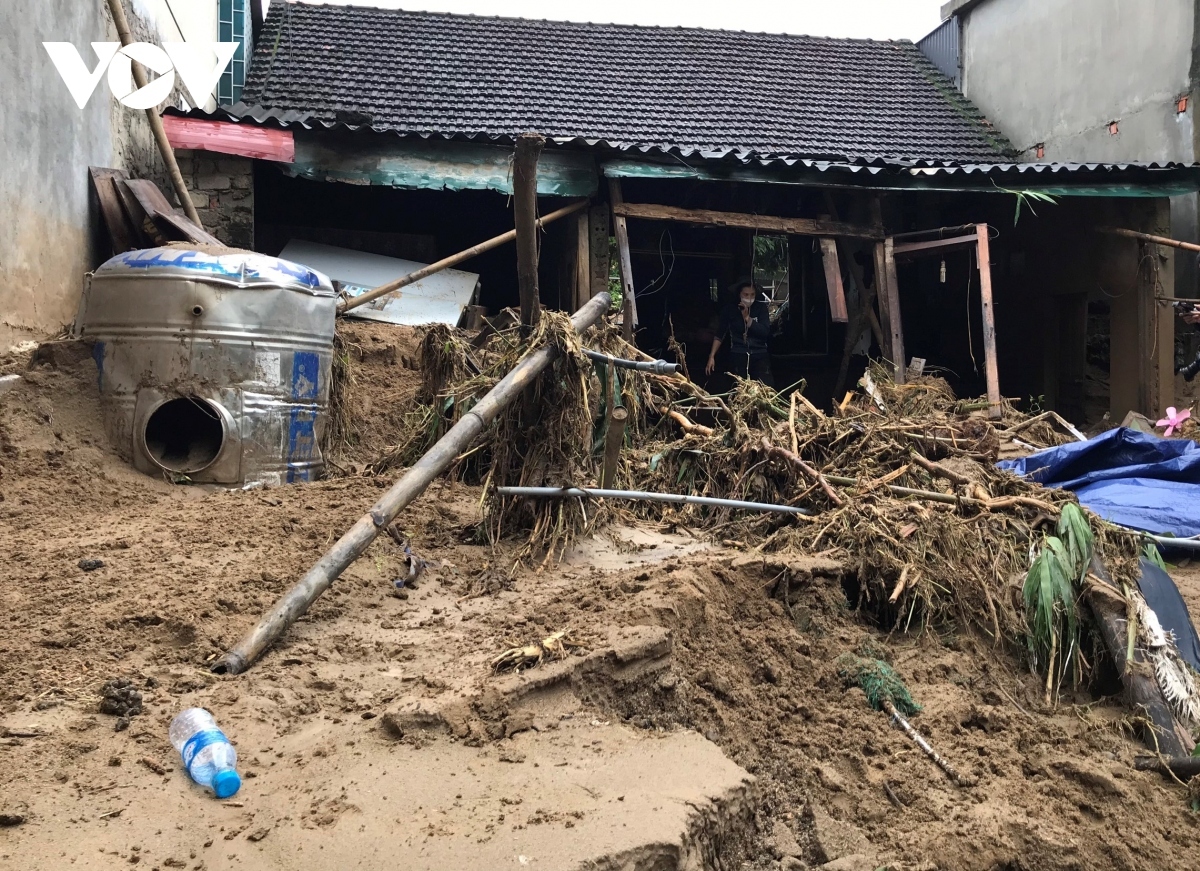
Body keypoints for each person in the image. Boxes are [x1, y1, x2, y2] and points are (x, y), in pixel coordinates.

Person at [706, 280, 774, 386]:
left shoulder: (761, 308)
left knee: (765, 388)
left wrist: (748, 319)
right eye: (746, 294)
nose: (749, 297)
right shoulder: (730, 310)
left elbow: (765, 331)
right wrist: (712, 356)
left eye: (752, 294)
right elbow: (720, 334)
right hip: (738, 354)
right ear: (739, 294)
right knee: (739, 388)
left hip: (759, 354)